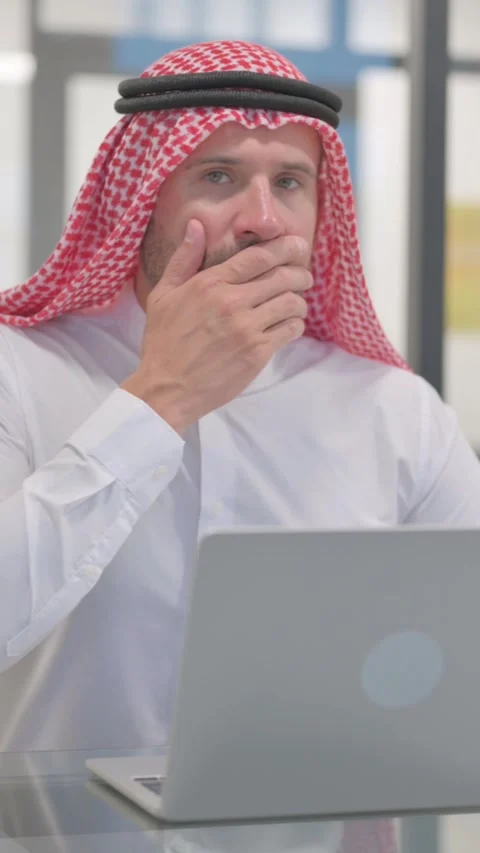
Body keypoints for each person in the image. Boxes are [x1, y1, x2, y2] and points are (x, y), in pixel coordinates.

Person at [0, 38, 478, 852]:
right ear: (141, 197)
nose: (261, 216)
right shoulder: (20, 369)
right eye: (217, 176)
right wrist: (160, 400)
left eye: (290, 183)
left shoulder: (395, 412)